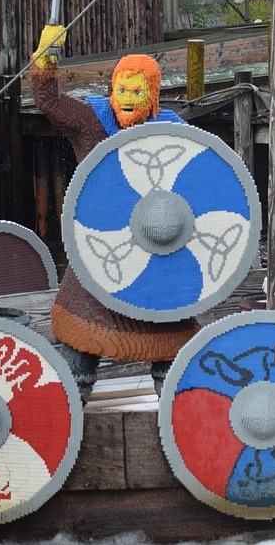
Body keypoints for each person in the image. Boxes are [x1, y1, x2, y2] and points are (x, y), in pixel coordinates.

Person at [28, 23, 198, 399]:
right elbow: (49, 102)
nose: (127, 98)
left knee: (170, 353)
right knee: (78, 347)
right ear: (112, 90)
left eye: (136, 92)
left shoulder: (172, 134)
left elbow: (202, 188)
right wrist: (46, 58)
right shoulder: (91, 122)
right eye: (122, 89)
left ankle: (177, 416)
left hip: (158, 253)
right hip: (99, 254)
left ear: (152, 95)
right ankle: (69, 413)